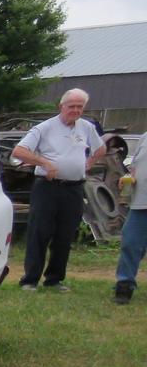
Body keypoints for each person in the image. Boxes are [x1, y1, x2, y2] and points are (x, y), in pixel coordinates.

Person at [12, 89, 107, 291]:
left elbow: (101, 148)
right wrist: (44, 162)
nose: (75, 110)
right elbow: (19, 151)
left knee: (65, 234)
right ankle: (30, 279)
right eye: (71, 106)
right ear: (61, 106)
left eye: (79, 107)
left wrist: (88, 162)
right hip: (48, 187)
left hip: (74, 188)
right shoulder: (44, 128)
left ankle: (54, 279)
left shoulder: (87, 127)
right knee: (40, 232)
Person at [114, 136, 146, 304]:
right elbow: (135, 168)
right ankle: (124, 286)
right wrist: (128, 178)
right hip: (140, 202)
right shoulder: (145, 137)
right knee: (130, 243)